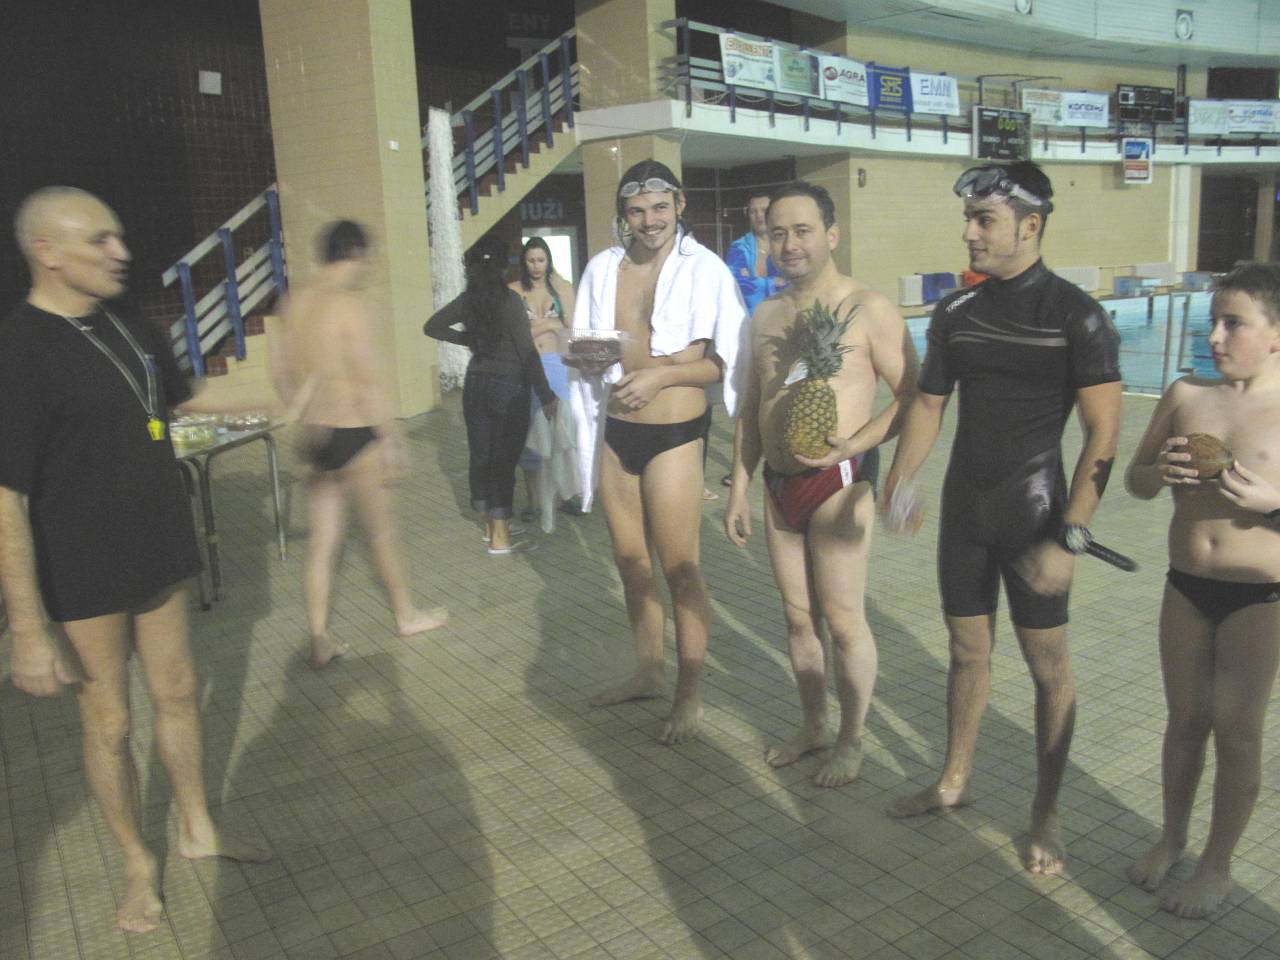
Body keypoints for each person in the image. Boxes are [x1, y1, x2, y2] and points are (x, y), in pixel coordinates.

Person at [0, 186, 269, 933]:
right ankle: (135, 864)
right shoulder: (17, 351)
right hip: (81, 565)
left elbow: (173, 402)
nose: (120, 252)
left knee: (177, 691)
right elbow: (6, 499)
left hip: (157, 540)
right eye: (99, 240)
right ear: (47, 251)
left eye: (118, 236)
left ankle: (196, 827)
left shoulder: (131, 324)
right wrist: (27, 629)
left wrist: (276, 398)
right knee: (111, 723)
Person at [881, 162, 1122, 875]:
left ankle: (1046, 812)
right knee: (965, 650)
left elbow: (1103, 433)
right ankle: (953, 779)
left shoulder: (1077, 316)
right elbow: (929, 404)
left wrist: (1070, 535)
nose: (970, 232)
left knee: (1048, 665)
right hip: (967, 509)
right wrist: (899, 481)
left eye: (984, 220)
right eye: (969, 218)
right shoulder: (957, 313)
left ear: (1031, 226)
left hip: (1036, 514)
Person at [724, 181, 917, 786]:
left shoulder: (868, 307)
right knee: (797, 618)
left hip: (840, 480)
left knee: (842, 619)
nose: (790, 244)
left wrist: (860, 445)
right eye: (777, 232)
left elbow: (917, 396)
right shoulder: (765, 316)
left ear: (831, 235)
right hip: (778, 483)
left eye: (803, 231)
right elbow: (751, 405)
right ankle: (814, 726)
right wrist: (738, 486)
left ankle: (852, 739)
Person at [568, 160, 747, 744]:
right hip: (617, 432)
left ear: (680, 206)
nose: (650, 221)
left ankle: (689, 693)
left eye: (660, 208)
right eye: (638, 210)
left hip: (674, 433)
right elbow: (589, 353)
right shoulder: (603, 270)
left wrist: (662, 376)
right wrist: (579, 353)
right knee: (630, 563)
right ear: (624, 214)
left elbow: (727, 363)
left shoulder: (706, 270)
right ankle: (648, 671)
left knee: (680, 568)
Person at [1124, 263, 1280, 918]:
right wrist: (1158, 471)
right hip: (1186, 586)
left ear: (1275, 333)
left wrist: (1274, 505)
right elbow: (1135, 480)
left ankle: (1217, 868)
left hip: (1260, 596)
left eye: (1232, 324)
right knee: (1185, 722)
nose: (1214, 336)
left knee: (1237, 734)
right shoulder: (1186, 395)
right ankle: (1172, 839)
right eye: (1212, 322)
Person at [271, 220, 447, 668]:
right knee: (381, 533)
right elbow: (367, 378)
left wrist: (304, 416)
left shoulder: (294, 302)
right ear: (354, 254)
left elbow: (281, 373)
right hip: (354, 430)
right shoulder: (350, 304)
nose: (369, 266)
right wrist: (391, 439)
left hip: (316, 436)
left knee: (323, 542)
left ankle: (319, 637)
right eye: (367, 257)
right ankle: (406, 615)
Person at [426, 235, 556, 554]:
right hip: (509, 387)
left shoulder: (467, 300)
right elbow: (527, 353)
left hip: (476, 384)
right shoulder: (510, 302)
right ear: (502, 267)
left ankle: (490, 525)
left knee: (482, 455)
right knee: (503, 460)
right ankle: (500, 536)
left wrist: (469, 340)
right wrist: (547, 394)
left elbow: (432, 327)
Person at [508, 236, 577, 523]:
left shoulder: (561, 288)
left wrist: (550, 317)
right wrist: (550, 324)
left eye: (541, 260)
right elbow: (514, 334)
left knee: (563, 429)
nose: (536, 266)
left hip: (557, 364)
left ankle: (568, 495)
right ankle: (533, 501)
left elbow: (572, 326)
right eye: (531, 260)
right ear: (523, 262)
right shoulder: (513, 291)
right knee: (529, 432)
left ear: (549, 260)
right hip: (526, 366)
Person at [724, 188, 786, 316]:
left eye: (764, 210)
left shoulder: (787, 246)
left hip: (785, 318)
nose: (759, 216)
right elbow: (737, 285)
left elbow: (795, 285)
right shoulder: (739, 248)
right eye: (753, 211)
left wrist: (754, 281)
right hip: (748, 322)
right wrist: (773, 282)